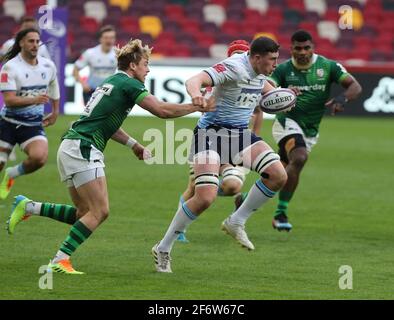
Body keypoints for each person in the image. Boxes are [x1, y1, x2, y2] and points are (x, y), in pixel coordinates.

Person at [6, 39, 214, 275]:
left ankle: (29, 207)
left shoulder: (113, 82)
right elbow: (161, 110)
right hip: (84, 147)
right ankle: (59, 260)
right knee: (99, 212)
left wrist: (133, 144)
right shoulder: (129, 84)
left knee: (83, 213)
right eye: (146, 64)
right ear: (133, 65)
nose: (149, 69)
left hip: (72, 145)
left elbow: (107, 123)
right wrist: (196, 107)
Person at [153, 37, 288, 273]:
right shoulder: (234, 67)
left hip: (239, 135)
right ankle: (163, 248)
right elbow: (195, 79)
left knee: (278, 175)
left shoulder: (261, 72)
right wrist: (196, 95)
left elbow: (272, 93)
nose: (276, 64)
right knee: (205, 197)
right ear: (256, 57)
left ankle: (236, 220)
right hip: (210, 134)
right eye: (273, 59)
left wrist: (285, 98)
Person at [267, 30, 362, 231]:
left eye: (306, 47)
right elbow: (268, 86)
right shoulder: (283, 69)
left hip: (311, 129)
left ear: (313, 47)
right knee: (299, 158)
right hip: (287, 122)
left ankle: (244, 201)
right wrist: (279, 93)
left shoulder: (328, 66)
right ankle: (281, 213)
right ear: (291, 48)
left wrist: (342, 98)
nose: (302, 52)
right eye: (297, 48)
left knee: (279, 174)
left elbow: (354, 86)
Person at [176, 39, 263, 243]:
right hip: (210, 138)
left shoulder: (256, 79)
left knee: (232, 186)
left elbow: (259, 111)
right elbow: (197, 85)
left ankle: (220, 196)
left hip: (239, 142)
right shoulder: (223, 79)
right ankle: (179, 229)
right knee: (194, 189)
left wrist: (255, 136)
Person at [0, 28, 59, 200]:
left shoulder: (48, 66)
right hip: (8, 123)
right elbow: (9, 100)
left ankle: (11, 174)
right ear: (21, 43)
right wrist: (34, 99)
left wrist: (55, 112)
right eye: (30, 41)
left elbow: (54, 87)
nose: (35, 45)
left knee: (39, 158)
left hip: (32, 125)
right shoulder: (10, 67)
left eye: (37, 41)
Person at [73, 25, 117, 105]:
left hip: (110, 91)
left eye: (111, 38)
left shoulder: (118, 54)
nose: (109, 40)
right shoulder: (90, 53)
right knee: (91, 117)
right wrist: (83, 84)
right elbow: (75, 70)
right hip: (91, 91)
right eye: (106, 37)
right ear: (100, 39)